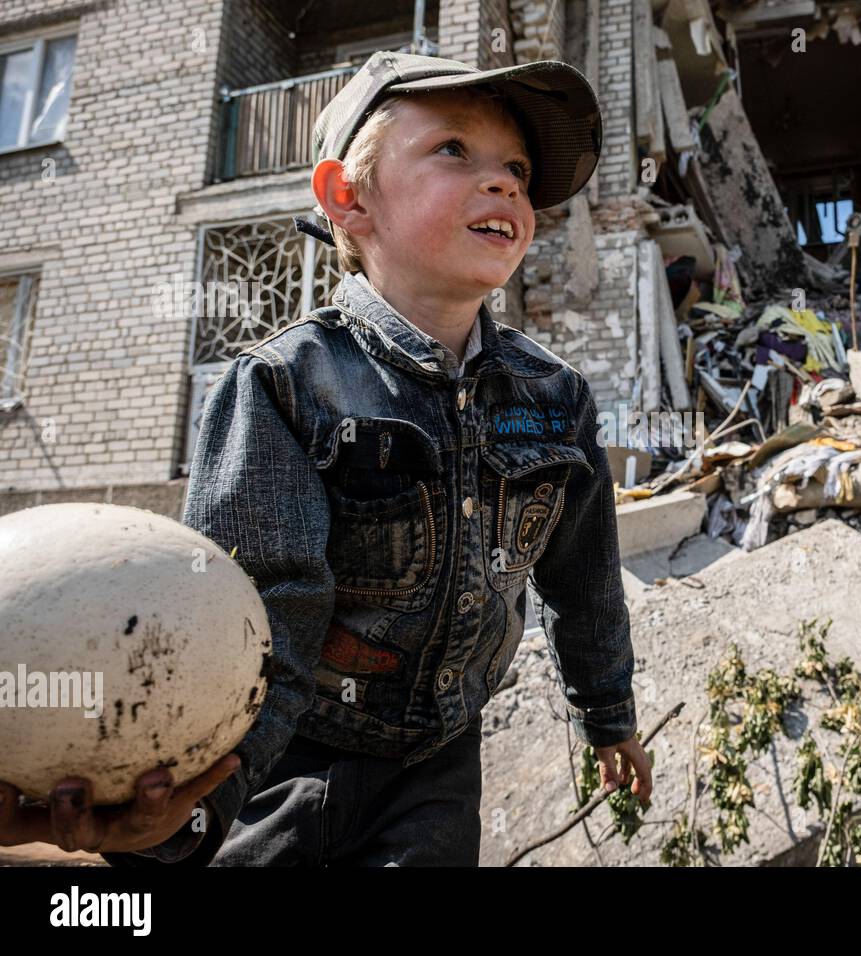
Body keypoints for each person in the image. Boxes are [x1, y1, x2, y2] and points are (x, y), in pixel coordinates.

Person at [0, 51, 651, 866]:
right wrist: (193, 809)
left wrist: (609, 715)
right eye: (455, 150)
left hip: (440, 765)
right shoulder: (285, 386)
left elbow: (582, 579)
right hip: (291, 760)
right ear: (348, 197)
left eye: (516, 168)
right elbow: (259, 619)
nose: (506, 185)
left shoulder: (556, 399)